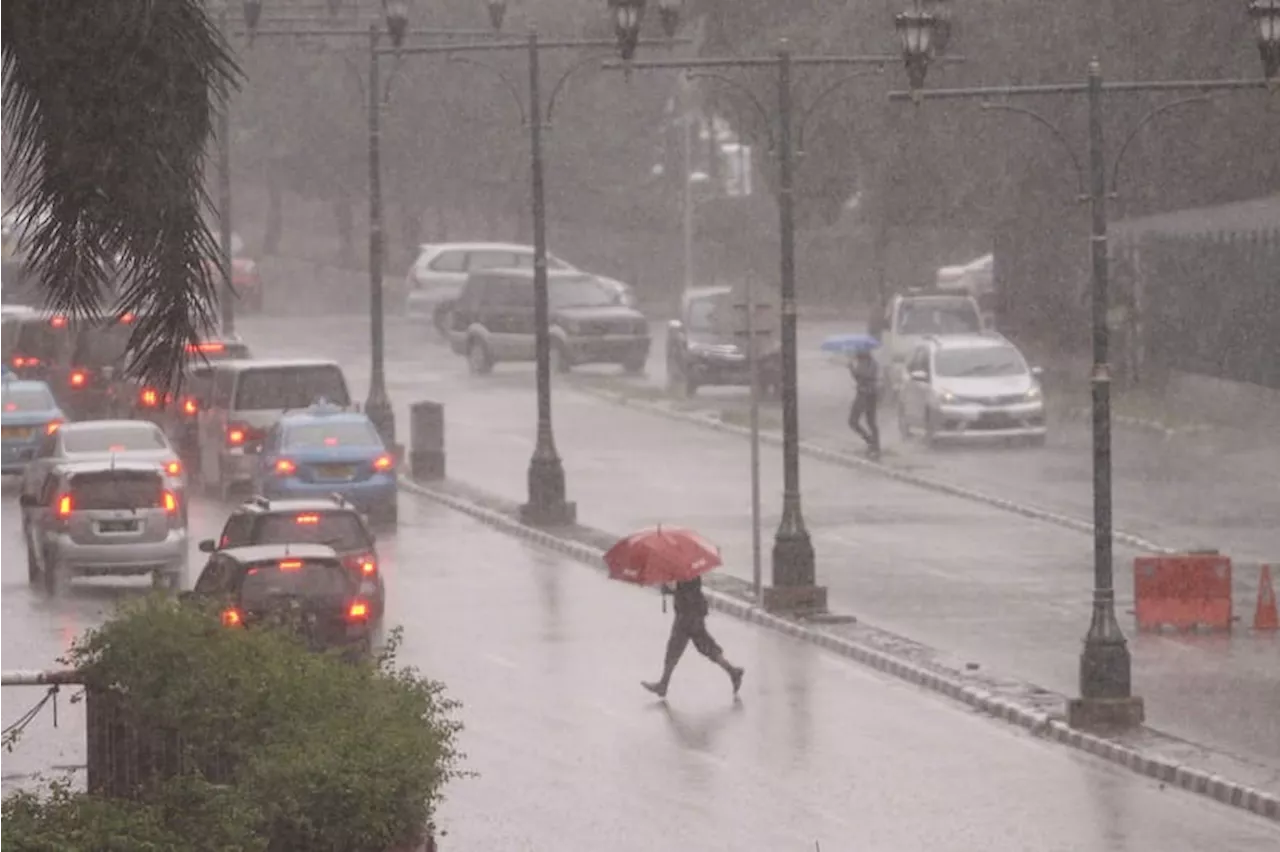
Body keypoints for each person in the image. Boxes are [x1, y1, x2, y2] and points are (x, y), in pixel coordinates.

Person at [642, 577, 744, 698]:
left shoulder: (687, 573)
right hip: (690, 613)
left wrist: (673, 587)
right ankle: (733, 672)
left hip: (688, 615)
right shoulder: (685, 570)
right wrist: (669, 588)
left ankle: (663, 685)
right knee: (703, 647)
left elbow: (687, 592)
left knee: (677, 649)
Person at [848, 349, 880, 459]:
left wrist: (853, 369)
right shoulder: (864, 362)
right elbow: (859, 378)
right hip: (866, 393)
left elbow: (864, 377)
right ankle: (872, 442)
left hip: (866, 394)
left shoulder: (871, 363)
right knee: (858, 421)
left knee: (864, 421)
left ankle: (873, 444)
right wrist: (852, 368)